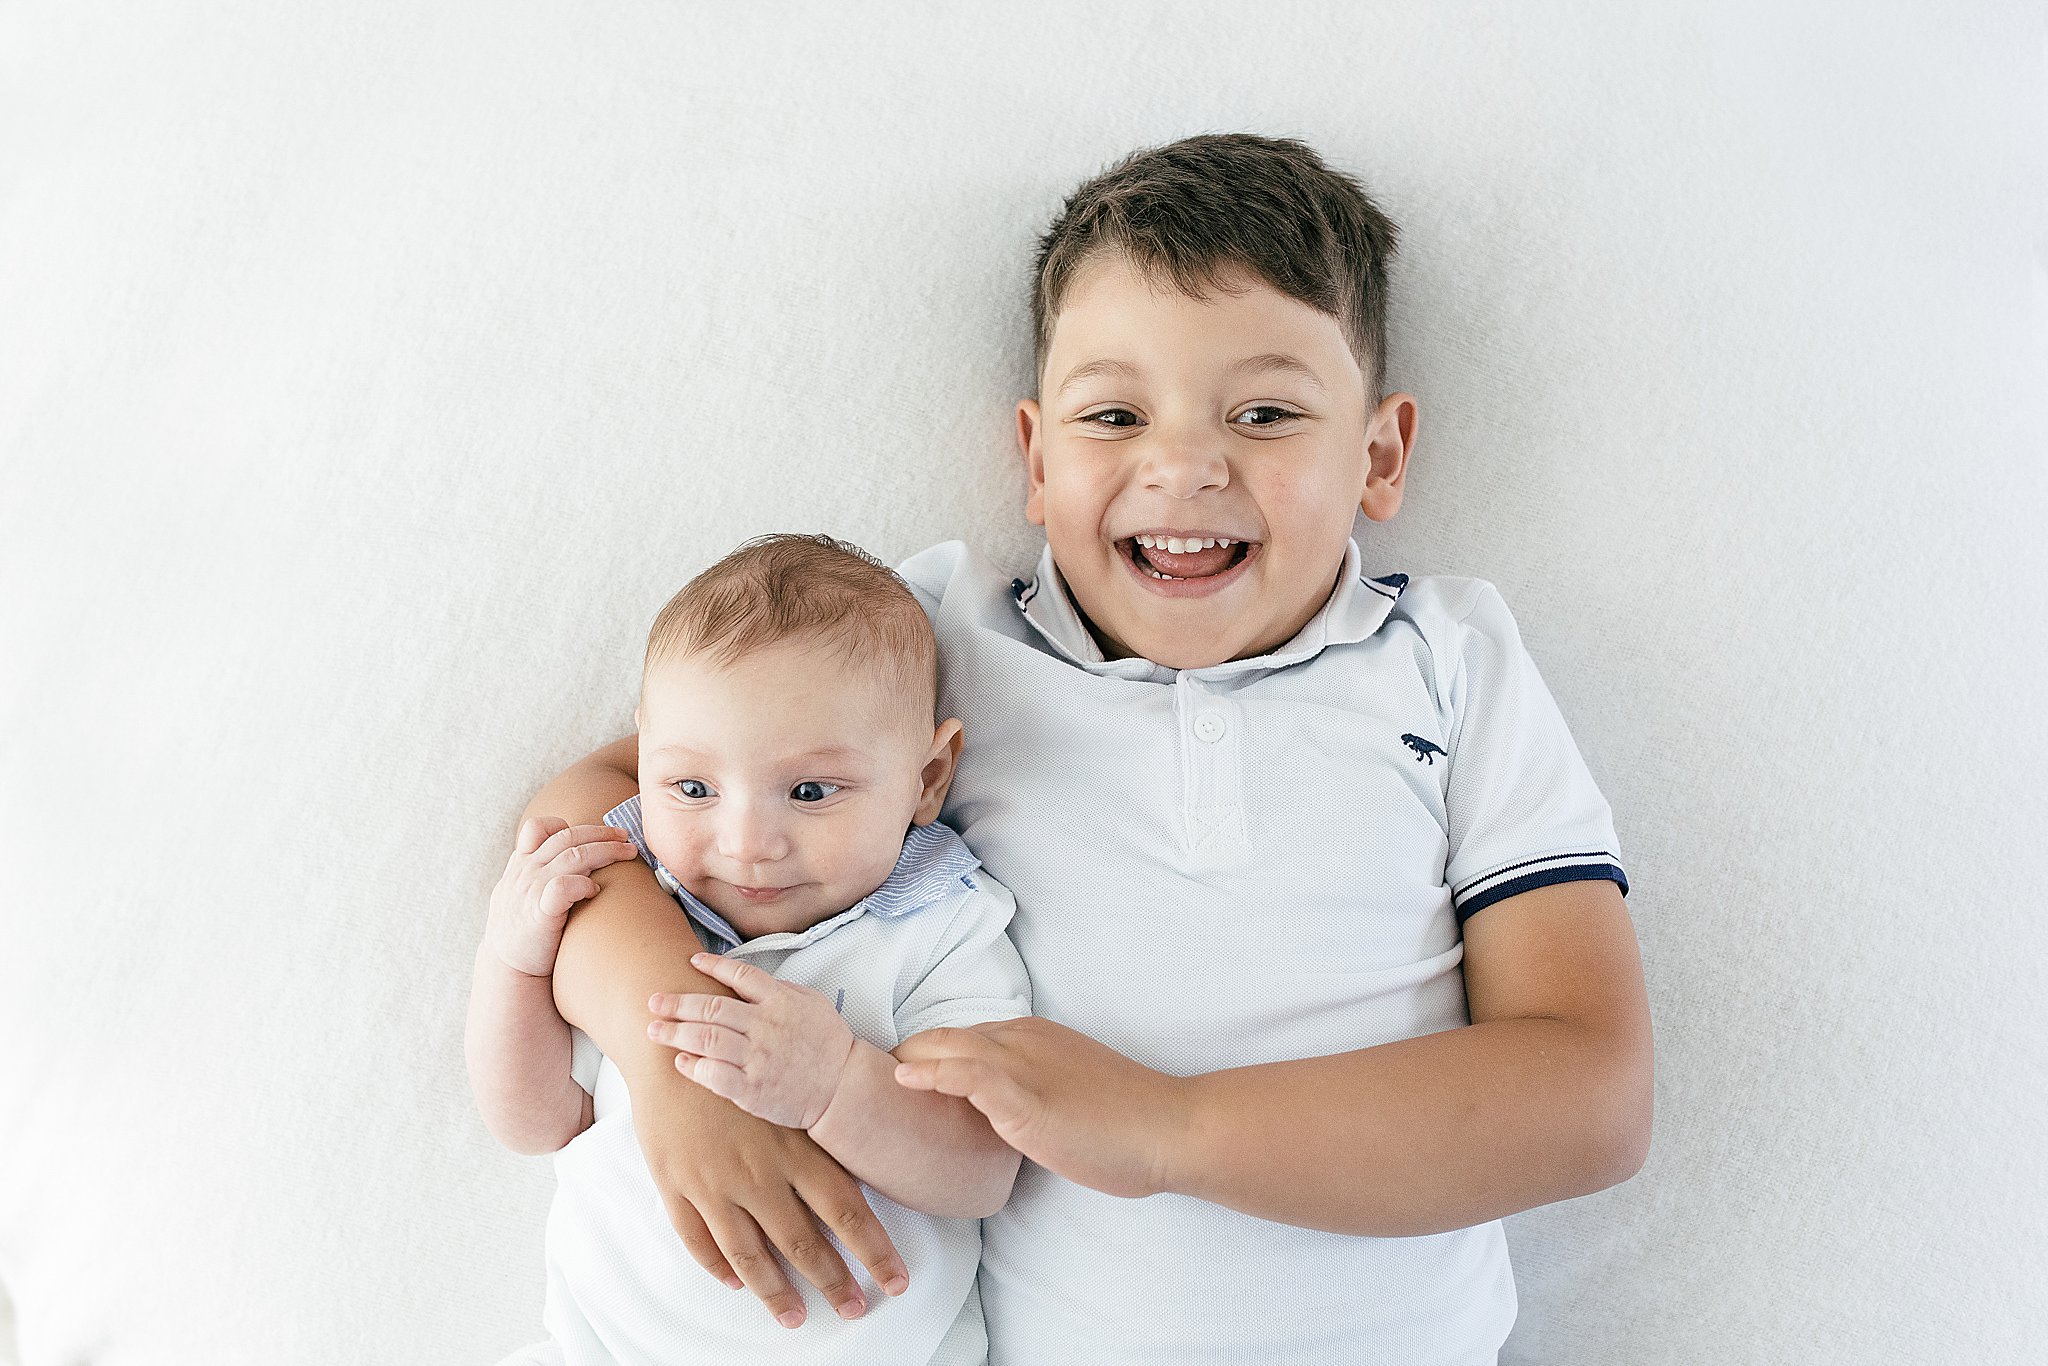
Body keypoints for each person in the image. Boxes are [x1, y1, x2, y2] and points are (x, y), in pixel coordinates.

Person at [505, 133, 1654, 1364]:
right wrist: (666, 1054)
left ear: (1377, 453)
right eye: (1112, 414)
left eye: (1265, 413)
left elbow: (1589, 1097)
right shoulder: (944, 643)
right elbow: (598, 809)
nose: (1183, 465)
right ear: (1035, 461)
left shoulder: (1446, 659)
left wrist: (1168, 1127)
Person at [467, 534, 1031, 1365]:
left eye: (809, 792)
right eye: (692, 788)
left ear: (927, 778)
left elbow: (984, 1171)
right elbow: (537, 1121)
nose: (745, 843)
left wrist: (839, 1085)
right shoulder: (639, 906)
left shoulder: (940, 926)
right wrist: (512, 963)